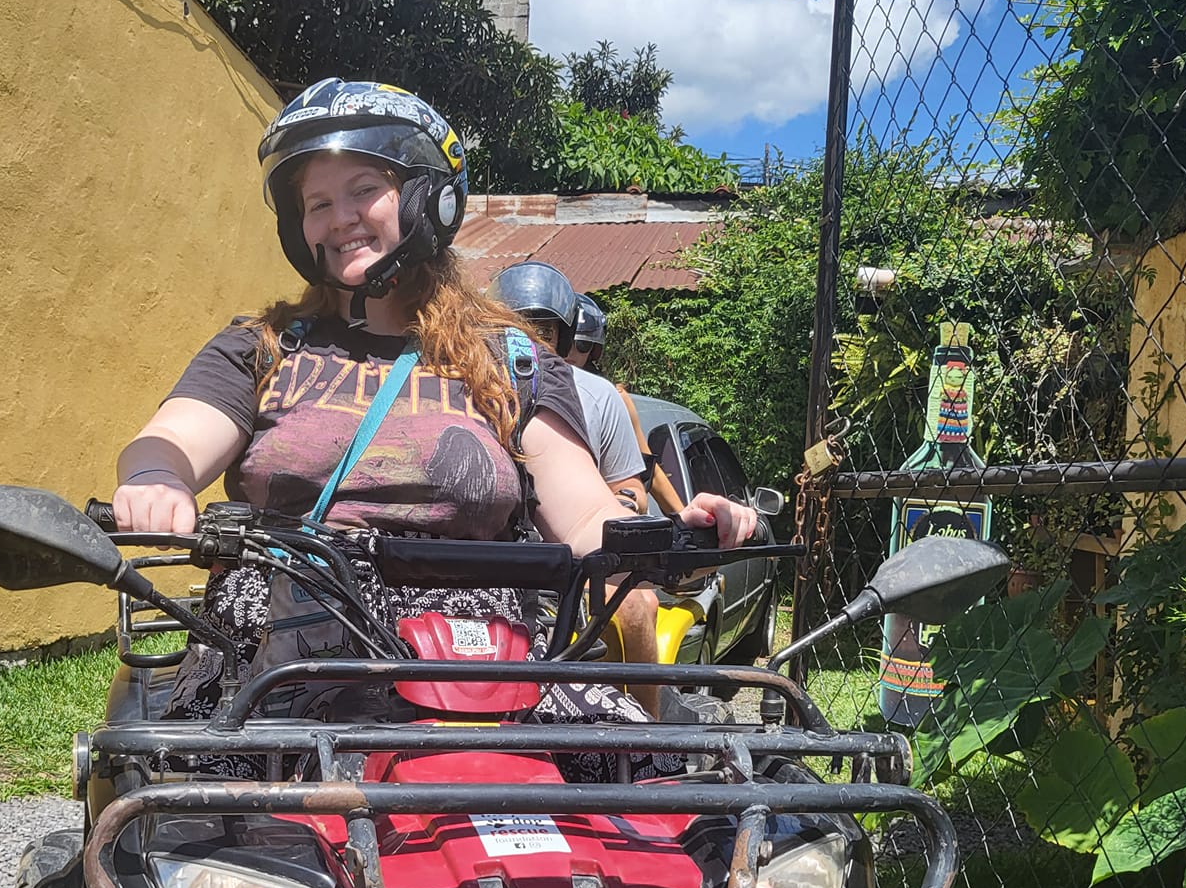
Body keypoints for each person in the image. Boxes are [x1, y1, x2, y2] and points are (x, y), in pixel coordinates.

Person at [113, 79, 757, 753]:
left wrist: (672, 532)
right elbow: (173, 439)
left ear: (428, 196)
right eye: (317, 203)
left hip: (481, 668)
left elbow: (587, 517)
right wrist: (157, 478)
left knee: (647, 790)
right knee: (188, 828)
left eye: (363, 190)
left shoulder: (514, 364)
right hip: (286, 661)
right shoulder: (262, 348)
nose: (338, 219)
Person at [490, 263, 664, 709]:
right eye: (517, 325)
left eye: (543, 330)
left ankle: (652, 739)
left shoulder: (598, 395)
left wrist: (616, 504)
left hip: (579, 565)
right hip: (493, 560)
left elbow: (632, 488)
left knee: (635, 607)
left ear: (564, 337)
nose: (530, 340)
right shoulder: (465, 388)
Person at [567, 295, 688, 520]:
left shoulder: (611, 399)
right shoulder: (521, 395)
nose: (571, 353)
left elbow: (644, 468)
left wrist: (684, 519)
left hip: (606, 522)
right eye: (565, 342)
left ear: (593, 350)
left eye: (581, 344)